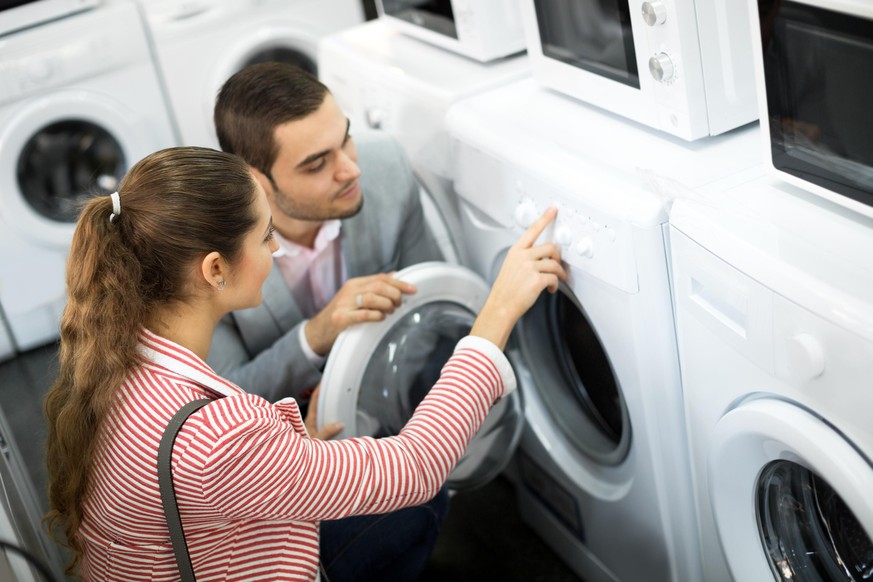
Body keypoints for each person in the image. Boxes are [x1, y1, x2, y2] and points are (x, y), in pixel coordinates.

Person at [43, 147, 566, 581]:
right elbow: (417, 468)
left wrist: (288, 456)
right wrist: (497, 314)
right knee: (418, 505)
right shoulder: (217, 441)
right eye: (266, 236)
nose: (276, 248)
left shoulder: (119, 355)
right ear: (215, 269)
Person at [208, 62, 444, 410]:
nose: (352, 170)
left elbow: (432, 303)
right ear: (257, 182)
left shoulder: (387, 165)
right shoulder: (208, 250)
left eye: (345, 138)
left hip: (396, 398)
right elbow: (223, 401)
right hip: (283, 442)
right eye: (317, 164)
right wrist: (316, 334)